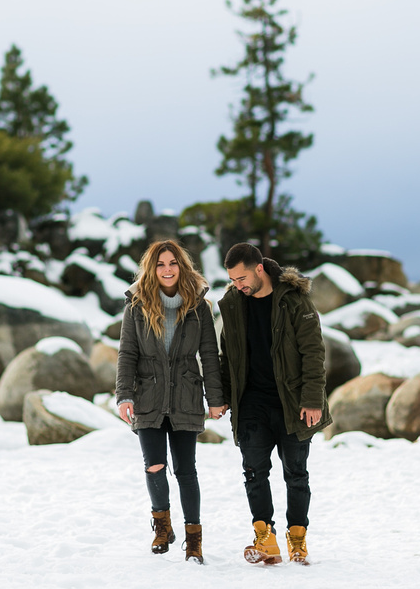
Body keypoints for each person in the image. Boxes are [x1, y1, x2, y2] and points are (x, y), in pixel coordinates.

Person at [217, 242, 331, 565]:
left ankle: (297, 539)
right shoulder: (233, 304)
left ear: (259, 269)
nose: (237, 286)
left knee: (296, 473)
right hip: (251, 401)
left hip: (292, 401)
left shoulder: (294, 300)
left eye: (241, 279)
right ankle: (265, 538)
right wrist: (223, 397)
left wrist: (312, 399)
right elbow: (228, 356)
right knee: (254, 471)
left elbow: (314, 351)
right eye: (233, 280)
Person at [116, 240, 227, 563]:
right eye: (161, 264)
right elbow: (127, 353)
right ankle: (162, 526)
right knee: (154, 466)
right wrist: (124, 395)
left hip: (186, 395)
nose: (167, 269)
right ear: (152, 269)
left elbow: (209, 354)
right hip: (148, 395)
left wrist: (215, 398)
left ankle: (194, 540)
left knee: (186, 471)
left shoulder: (199, 307)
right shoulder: (136, 305)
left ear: (182, 266)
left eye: (173, 263)